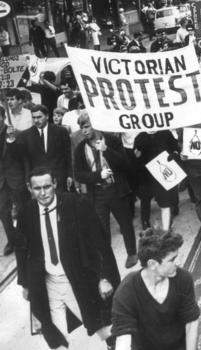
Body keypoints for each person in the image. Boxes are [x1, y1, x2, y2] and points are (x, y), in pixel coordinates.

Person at [15, 166, 120, 349]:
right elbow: (22, 250)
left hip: (79, 277)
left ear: (55, 184)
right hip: (48, 282)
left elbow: (100, 243)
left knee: (102, 326)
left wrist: (105, 277)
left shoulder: (77, 204)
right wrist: (25, 283)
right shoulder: (26, 213)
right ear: (29, 188)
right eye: (37, 188)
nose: (43, 193)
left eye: (47, 186)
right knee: (56, 334)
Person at [112, 228, 200, 350]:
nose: (179, 262)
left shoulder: (183, 278)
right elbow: (123, 338)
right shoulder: (126, 291)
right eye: (172, 259)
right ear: (152, 264)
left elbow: (191, 323)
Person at [73, 114, 138, 268]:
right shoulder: (81, 148)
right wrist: (97, 176)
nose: (85, 130)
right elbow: (78, 174)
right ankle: (107, 258)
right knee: (102, 228)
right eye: (82, 127)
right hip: (97, 194)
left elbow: (125, 165)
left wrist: (106, 150)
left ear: (95, 124)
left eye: (87, 126)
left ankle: (132, 252)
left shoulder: (112, 140)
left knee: (125, 223)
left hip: (116, 189)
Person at [7, 105, 72, 192]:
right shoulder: (26, 135)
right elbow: (17, 156)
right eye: (34, 118)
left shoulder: (61, 132)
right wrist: (11, 138)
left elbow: (68, 155)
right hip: (37, 181)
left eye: (39, 117)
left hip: (59, 179)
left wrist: (70, 175)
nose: (36, 120)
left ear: (47, 116)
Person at [133, 129, 180, 231]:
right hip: (146, 177)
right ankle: (145, 223)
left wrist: (174, 155)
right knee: (145, 200)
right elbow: (136, 157)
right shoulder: (140, 137)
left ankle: (166, 231)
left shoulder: (165, 133)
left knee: (165, 204)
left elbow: (175, 148)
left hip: (163, 176)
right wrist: (138, 151)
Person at [0, 107, 30, 256]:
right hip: (1, 181)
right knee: (3, 213)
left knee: (22, 210)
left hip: (16, 178)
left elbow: (22, 156)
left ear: (3, 116)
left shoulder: (16, 133)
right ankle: (12, 240)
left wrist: (11, 140)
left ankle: (27, 239)